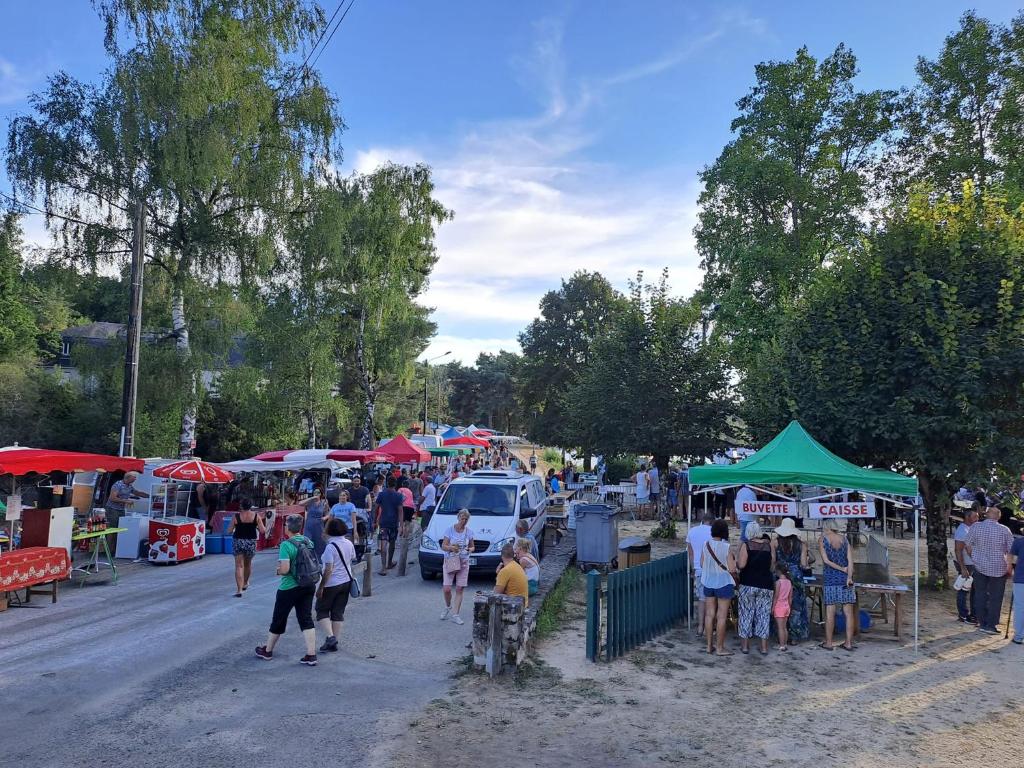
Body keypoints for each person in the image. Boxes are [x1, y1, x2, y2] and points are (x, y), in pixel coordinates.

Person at [255, 515, 319, 665]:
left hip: (289, 587)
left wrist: (277, 570)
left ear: (288, 528)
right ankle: (311, 654)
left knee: (279, 618)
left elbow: (285, 569)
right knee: (306, 618)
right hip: (308, 584)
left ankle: (268, 651)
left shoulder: (286, 545)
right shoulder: (307, 541)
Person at [965, 505, 1014, 634]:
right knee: (995, 597)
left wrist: (974, 557)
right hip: (998, 567)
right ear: (999, 516)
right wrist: (1009, 567)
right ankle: (991, 625)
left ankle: (982, 621)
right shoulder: (1005, 530)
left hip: (979, 565)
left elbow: (968, 545)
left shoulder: (976, 527)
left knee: (980, 594)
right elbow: (1010, 551)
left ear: (986, 514)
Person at [316, 517, 356, 653]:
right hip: (346, 580)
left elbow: (328, 569)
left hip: (332, 583)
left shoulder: (330, 547)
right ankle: (334, 642)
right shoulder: (349, 543)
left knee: (321, 610)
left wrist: (321, 587)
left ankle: (330, 637)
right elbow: (352, 558)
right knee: (338, 611)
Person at [770, 518, 811, 644]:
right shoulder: (802, 544)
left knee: (779, 604)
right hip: (796, 576)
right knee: (796, 607)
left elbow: (772, 562)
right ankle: (794, 637)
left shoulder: (774, 543)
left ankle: (780, 634)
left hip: (780, 575)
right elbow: (804, 564)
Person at [700, 519, 737, 656]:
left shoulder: (706, 544)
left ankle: (709, 646)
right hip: (723, 583)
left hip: (708, 581)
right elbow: (732, 568)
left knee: (709, 614)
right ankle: (720, 648)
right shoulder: (726, 547)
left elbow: (702, 563)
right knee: (721, 616)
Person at [737, 521, 774, 655]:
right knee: (763, 615)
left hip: (748, 583)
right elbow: (772, 566)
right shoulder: (768, 546)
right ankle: (763, 647)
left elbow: (741, 565)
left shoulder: (746, 546)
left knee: (746, 614)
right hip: (765, 584)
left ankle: (745, 646)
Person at [820, 520, 855, 651]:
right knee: (848, 612)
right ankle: (848, 643)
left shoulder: (823, 540)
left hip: (830, 578)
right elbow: (851, 561)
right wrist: (849, 576)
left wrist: (841, 568)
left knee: (830, 611)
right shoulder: (845, 540)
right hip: (845, 579)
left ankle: (829, 642)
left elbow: (826, 561)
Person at [440, 509, 475, 625]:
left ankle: (456, 614)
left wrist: (469, 549)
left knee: (460, 588)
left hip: (464, 561)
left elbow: (472, 547)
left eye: (466, 519)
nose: (463, 521)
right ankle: (448, 606)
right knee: (447, 588)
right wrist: (451, 548)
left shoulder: (469, 532)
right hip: (451, 560)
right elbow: (443, 546)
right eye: (462, 518)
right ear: (458, 518)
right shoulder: (449, 530)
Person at [226, 500, 266, 597]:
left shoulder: (236, 517)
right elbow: (263, 531)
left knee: (239, 566)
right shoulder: (256, 516)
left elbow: (229, 531)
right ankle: (245, 583)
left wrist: (236, 527)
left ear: (241, 507)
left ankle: (239, 590)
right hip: (251, 542)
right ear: (250, 506)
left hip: (238, 541)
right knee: (248, 564)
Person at [686, 513, 714, 636]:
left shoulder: (692, 531)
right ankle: (711, 627)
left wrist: (693, 568)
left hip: (698, 568)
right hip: (713, 570)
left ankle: (700, 627)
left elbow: (690, 553)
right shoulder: (714, 532)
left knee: (702, 599)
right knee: (713, 600)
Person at [954, 506, 979, 624]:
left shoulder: (972, 529)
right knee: (964, 590)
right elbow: (958, 550)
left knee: (974, 590)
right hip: (967, 564)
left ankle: (974, 614)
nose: (977, 519)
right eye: (975, 516)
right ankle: (963, 614)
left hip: (974, 563)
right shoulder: (962, 531)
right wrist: (963, 568)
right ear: (967, 517)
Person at [374, 478, 404, 575]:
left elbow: (376, 507)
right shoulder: (399, 496)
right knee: (392, 543)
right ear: (395, 485)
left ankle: (383, 568)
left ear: (387, 484)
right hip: (393, 523)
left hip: (383, 522)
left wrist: (375, 520)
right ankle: (389, 562)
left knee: (383, 543)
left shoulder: (382, 494)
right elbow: (400, 511)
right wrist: (401, 525)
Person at [494, 542, 529, 607]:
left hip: (515, 608)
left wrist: (498, 575)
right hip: (524, 604)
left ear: (502, 556)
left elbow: (496, 593)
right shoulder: (517, 566)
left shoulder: (505, 570)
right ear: (513, 555)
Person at [297, 488, 329, 559]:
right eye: (315, 493)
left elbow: (328, 513)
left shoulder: (324, 502)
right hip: (309, 525)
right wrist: (312, 498)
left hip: (319, 525)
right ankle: (308, 560)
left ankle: (320, 560)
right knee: (307, 542)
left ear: (321, 494)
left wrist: (325, 518)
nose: (316, 494)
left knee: (320, 543)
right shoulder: (310, 502)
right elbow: (300, 503)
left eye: (318, 493)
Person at [773, 563, 793, 651]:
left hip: (779, 606)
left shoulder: (778, 583)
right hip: (786, 606)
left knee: (780, 628)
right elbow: (790, 597)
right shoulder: (789, 582)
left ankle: (781, 645)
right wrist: (789, 606)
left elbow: (776, 596)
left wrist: (773, 607)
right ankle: (785, 643)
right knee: (785, 627)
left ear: (778, 571)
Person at [1011, 534, 1024, 645]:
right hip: (1020, 578)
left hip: (1020, 578)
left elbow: (1012, 560)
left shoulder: (1018, 542)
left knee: (1020, 608)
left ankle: (1019, 636)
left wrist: (1010, 569)